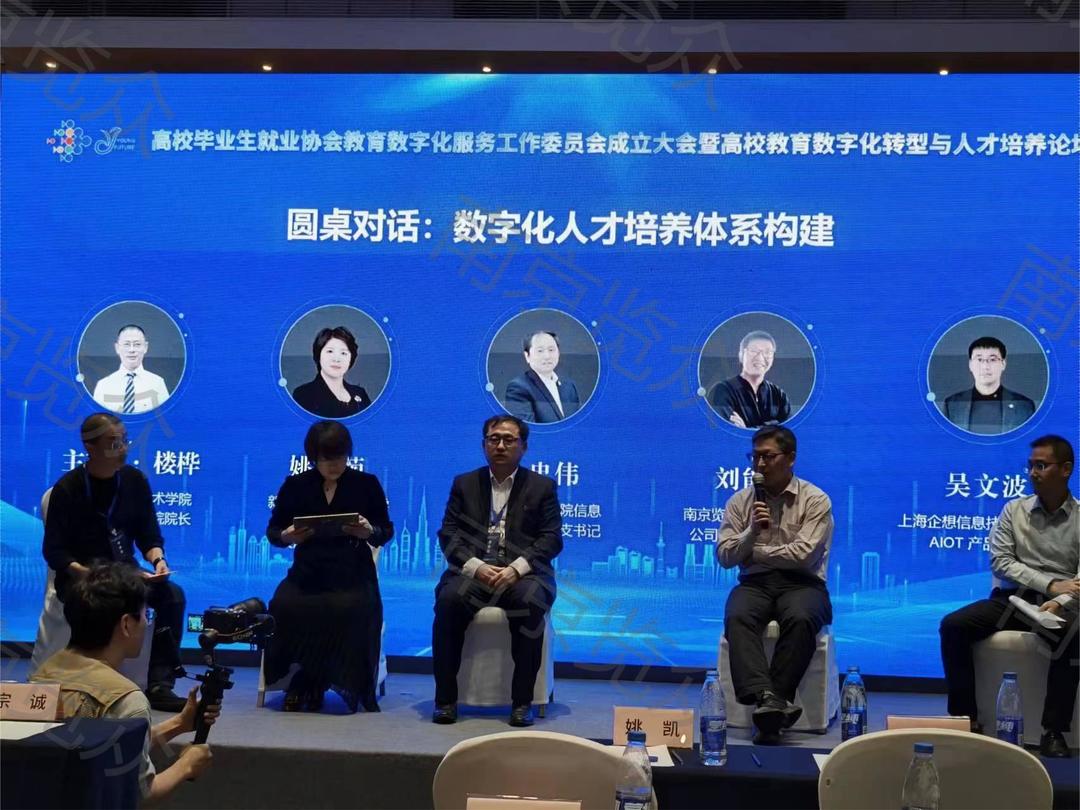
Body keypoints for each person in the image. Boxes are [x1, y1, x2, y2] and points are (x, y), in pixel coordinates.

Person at [31, 563, 219, 803]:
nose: (147, 624)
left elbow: (103, 748)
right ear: (127, 624)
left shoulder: (42, 675)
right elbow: (140, 794)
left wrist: (179, 724)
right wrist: (187, 765)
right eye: (145, 616)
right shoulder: (126, 699)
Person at [940, 434, 1078, 758]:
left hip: (1060, 606)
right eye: (1030, 466)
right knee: (954, 625)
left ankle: (1054, 731)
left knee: (1073, 635)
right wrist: (1050, 584)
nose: (1033, 473)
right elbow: (1001, 563)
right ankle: (966, 719)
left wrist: (1058, 599)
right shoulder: (1013, 511)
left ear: (1066, 469)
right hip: (1012, 601)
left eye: (1041, 466)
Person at [41, 412, 188, 712]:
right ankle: (89, 682)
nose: (122, 449)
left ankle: (160, 683)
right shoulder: (68, 488)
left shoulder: (134, 481)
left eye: (124, 441)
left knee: (171, 596)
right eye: (112, 443)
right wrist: (86, 573)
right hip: (83, 576)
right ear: (90, 447)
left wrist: (158, 560)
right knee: (101, 602)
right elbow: (55, 551)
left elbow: (149, 535)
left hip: (125, 572)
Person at [431, 415, 562, 726]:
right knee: (449, 601)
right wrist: (476, 567)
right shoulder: (464, 484)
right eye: (494, 439)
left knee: (530, 602)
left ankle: (522, 703)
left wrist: (516, 569)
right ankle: (445, 701)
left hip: (523, 576)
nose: (500, 445)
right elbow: (448, 534)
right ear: (484, 445)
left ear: (523, 447)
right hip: (474, 573)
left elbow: (551, 539)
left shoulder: (542, 487)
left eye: (509, 439)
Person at [266, 420, 393, 713]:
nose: (334, 465)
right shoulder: (295, 485)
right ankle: (302, 680)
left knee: (348, 607)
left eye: (340, 457)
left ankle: (328, 682)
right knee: (284, 605)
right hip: (307, 573)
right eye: (326, 459)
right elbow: (273, 531)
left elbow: (386, 530)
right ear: (314, 457)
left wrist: (369, 531)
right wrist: (287, 536)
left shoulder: (366, 484)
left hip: (353, 573)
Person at [717, 425, 833, 745]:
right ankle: (768, 699)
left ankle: (773, 703)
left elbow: (803, 555)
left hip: (803, 584)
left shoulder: (815, 500)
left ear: (790, 458)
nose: (759, 464)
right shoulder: (740, 502)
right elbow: (725, 556)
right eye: (754, 457)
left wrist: (755, 553)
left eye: (768, 457)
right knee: (738, 615)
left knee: (801, 617)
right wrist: (752, 532)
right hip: (754, 583)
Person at [942, 336, 1036, 434]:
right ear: (970, 365)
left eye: (992, 360)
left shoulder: (1024, 405)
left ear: (1003, 364)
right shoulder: (952, 405)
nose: (985, 366)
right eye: (979, 359)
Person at [709, 331, 792, 430]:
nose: (760, 357)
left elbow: (788, 430)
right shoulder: (722, 391)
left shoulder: (779, 395)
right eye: (754, 351)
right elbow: (727, 431)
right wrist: (773, 424)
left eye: (767, 352)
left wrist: (748, 429)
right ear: (741, 354)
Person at [291, 326, 372, 418]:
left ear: (351, 358)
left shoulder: (360, 393)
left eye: (343, 353)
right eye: (330, 351)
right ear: (318, 355)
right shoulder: (304, 394)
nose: (336, 359)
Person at [91, 324, 171, 414]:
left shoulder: (157, 383)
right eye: (127, 344)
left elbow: (166, 416)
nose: (132, 350)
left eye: (137, 344)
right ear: (117, 348)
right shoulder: (103, 385)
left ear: (145, 347)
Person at [504, 331, 581, 424]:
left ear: (558, 353)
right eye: (540, 351)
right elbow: (528, 429)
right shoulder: (518, 387)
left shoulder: (569, 386)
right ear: (527, 356)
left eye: (551, 350)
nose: (547, 356)